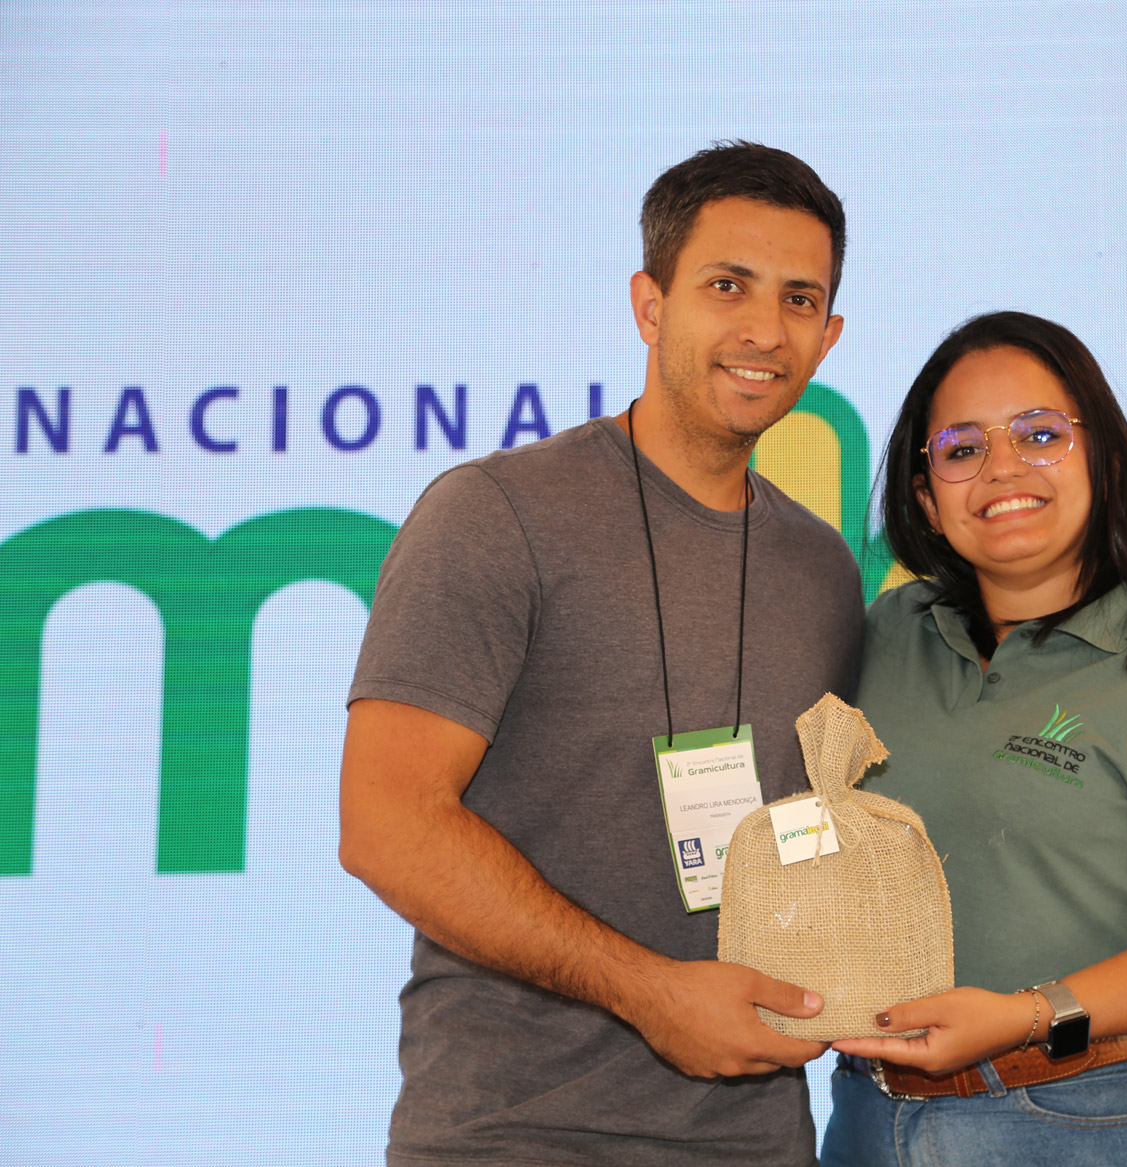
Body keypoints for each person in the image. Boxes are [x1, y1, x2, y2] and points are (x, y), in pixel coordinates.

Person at [338, 141, 865, 1166]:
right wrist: (651, 993)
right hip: (515, 1136)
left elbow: (811, 840)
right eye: (727, 286)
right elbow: (385, 825)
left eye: (799, 300)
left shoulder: (823, 570)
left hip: (755, 1138)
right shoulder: (495, 514)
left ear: (829, 335)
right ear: (648, 305)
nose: (765, 329)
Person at [820, 311, 1127, 1166]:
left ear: (1105, 461)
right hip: (872, 1118)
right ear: (926, 499)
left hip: (1099, 1119)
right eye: (962, 447)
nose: (1003, 468)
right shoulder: (892, 631)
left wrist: (1028, 1014)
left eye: (1040, 434)